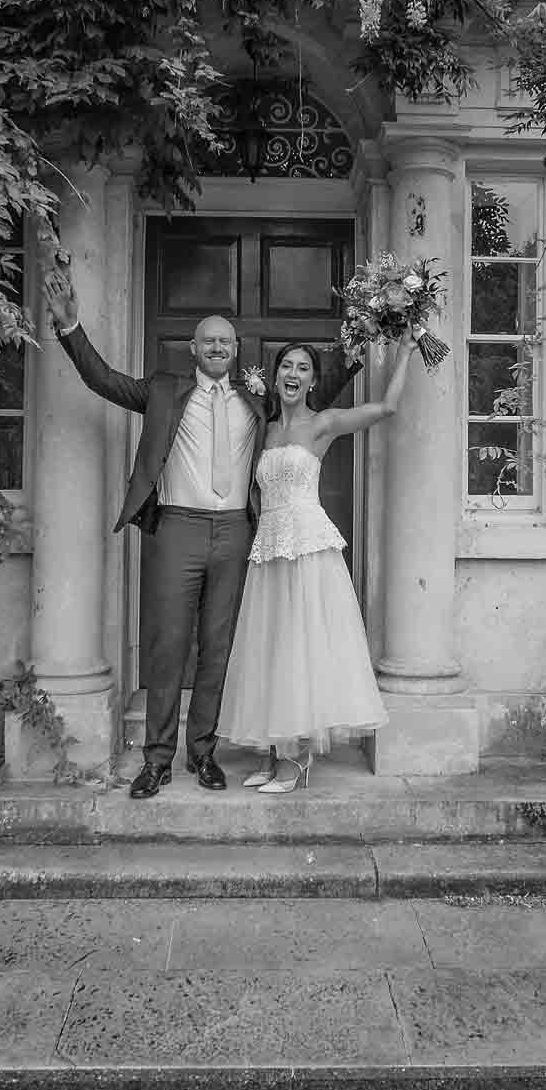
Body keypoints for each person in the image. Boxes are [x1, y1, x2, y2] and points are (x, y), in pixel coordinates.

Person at [40, 262, 360, 799]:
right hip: (178, 528)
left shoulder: (258, 398)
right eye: (208, 340)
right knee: (168, 645)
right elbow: (104, 380)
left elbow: (316, 392)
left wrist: (366, 337)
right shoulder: (163, 391)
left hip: (237, 531)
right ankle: (158, 760)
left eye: (226, 342)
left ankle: (203, 753)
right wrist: (71, 327)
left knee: (219, 646)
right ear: (193, 348)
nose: (217, 348)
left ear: (236, 352)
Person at [217, 333, 412, 793]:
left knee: (299, 647)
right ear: (275, 375)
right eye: (287, 366)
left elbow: (386, 408)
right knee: (270, 646)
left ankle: (297, 758)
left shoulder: (323, 423)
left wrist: (403, 350)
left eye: (303, 368)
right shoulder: (264, 430)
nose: (293, 374)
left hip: (307, 544)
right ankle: (273, 750)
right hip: (270, 545)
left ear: (312, 381)